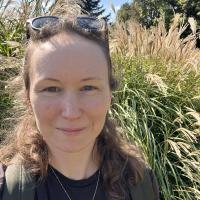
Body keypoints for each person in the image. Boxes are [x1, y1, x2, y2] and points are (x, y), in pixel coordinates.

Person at [0, 14, 159, 200]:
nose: (71, 112)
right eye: (51, 89)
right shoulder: (8, 188)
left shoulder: (140, 182)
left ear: (110, 94)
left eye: (88, 88)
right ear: (28, 97)